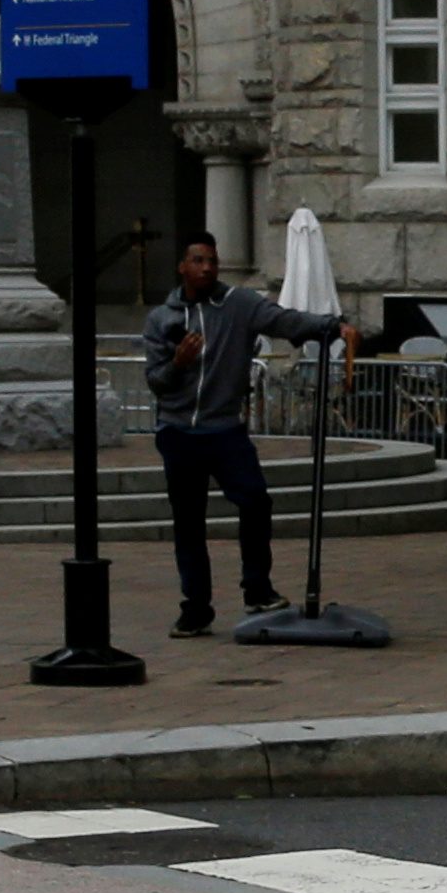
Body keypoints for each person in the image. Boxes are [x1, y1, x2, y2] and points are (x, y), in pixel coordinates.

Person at [136, 234, 339, 637]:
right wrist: (178, 363)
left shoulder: (238, 305)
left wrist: (332, 326)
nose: (207, 267)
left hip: (224, 429)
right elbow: (157, 383)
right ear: (182, 267)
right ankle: (196, 607)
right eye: (197, 260)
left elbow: (285, 321)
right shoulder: (163, 318)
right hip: (179, 432)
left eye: (212, 260)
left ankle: (257, 589)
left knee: (255, 501)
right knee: (189, 523)